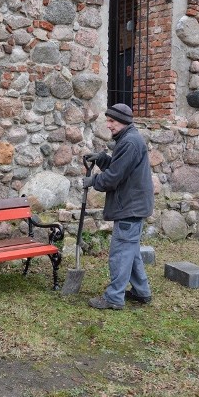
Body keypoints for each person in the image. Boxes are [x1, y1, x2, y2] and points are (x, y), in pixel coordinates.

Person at [82, 103, 154, 310]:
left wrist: (94, 181)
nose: (109, 125)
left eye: (112, 121)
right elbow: (122, 167)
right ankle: (142, 292)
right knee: (130, 251)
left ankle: (114, 298)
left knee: (121, 253)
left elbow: (114, 178)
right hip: (134, 204)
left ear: (123, 121)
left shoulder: (130, 142)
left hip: (130, 206)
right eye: (108, 120)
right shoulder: (129, 140)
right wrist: (104, 160)